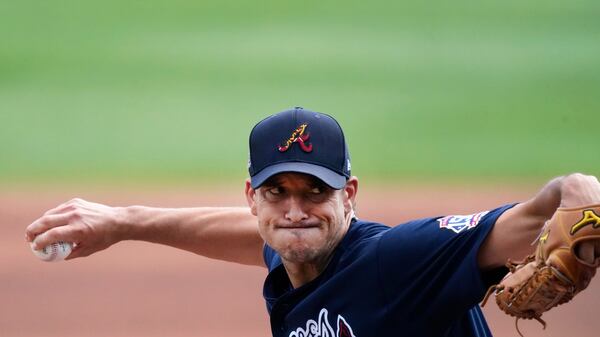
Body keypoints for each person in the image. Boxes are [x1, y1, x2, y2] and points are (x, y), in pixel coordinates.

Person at [26, 107, 600, 337]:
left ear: (349, 194)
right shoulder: (298, 250)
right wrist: (125, 221)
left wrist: (580, 195)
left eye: (316, 192)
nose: (296, 211)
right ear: (252, 199)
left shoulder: (395, 261)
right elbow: (263, 240)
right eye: (277, 192)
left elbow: (546, 208)